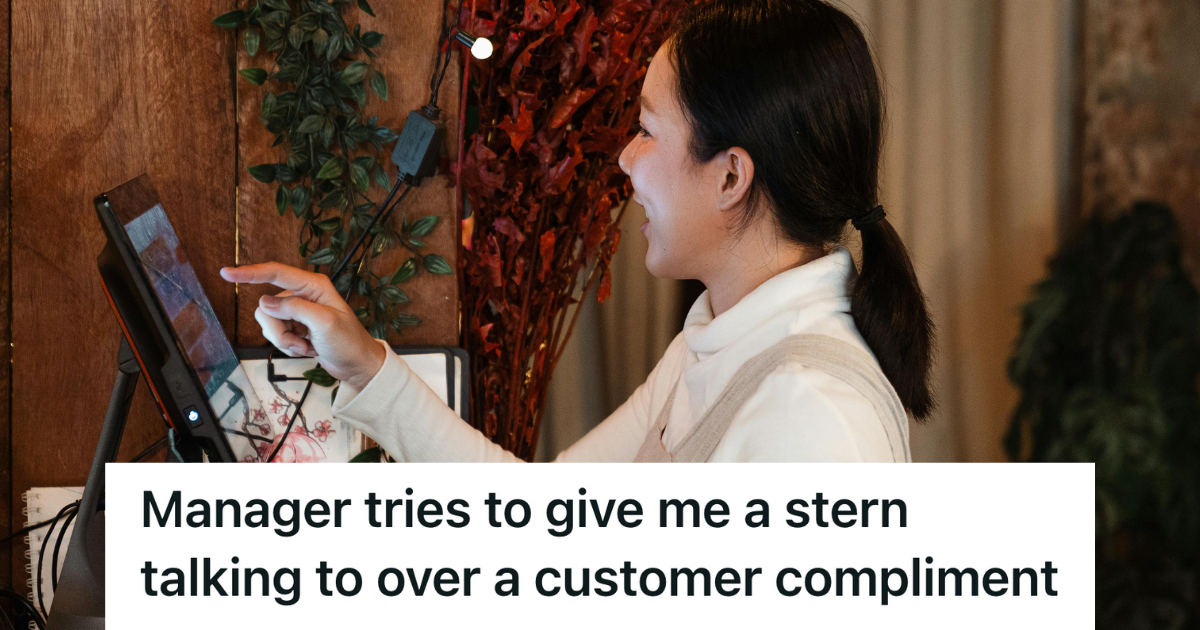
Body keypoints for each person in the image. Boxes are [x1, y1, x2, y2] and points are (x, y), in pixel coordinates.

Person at [220, 0, 934, 463]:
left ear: (730, 176)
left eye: (649, 131)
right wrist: (365, 366)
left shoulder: (811, 419)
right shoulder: (718, 337)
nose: (625, 158)